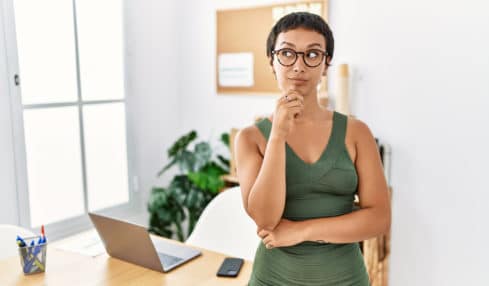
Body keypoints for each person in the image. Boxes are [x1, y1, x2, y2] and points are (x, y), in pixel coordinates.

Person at [234, 12, 391, 285]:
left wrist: (300, 231)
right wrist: (277, 136)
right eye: (287, 53)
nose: (299, 66)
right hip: (273, 279)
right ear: (272, 62)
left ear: (326, 64)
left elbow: (379, 219)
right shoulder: (250, 139)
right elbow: (265, 218)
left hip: (347, 279)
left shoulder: (357, 133)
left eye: (313, 54)